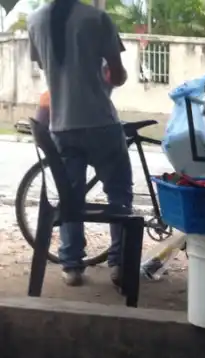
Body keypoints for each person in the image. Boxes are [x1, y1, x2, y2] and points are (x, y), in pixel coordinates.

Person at [28, 0, 131, 287]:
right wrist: (109, 77)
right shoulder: (97, 19)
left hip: (61, 126)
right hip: (102, 125)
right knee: (119, 193)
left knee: (70, 197)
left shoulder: (34, 21)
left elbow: (51, 70)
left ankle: (71, 266)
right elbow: (118, 74)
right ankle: (119, 264)